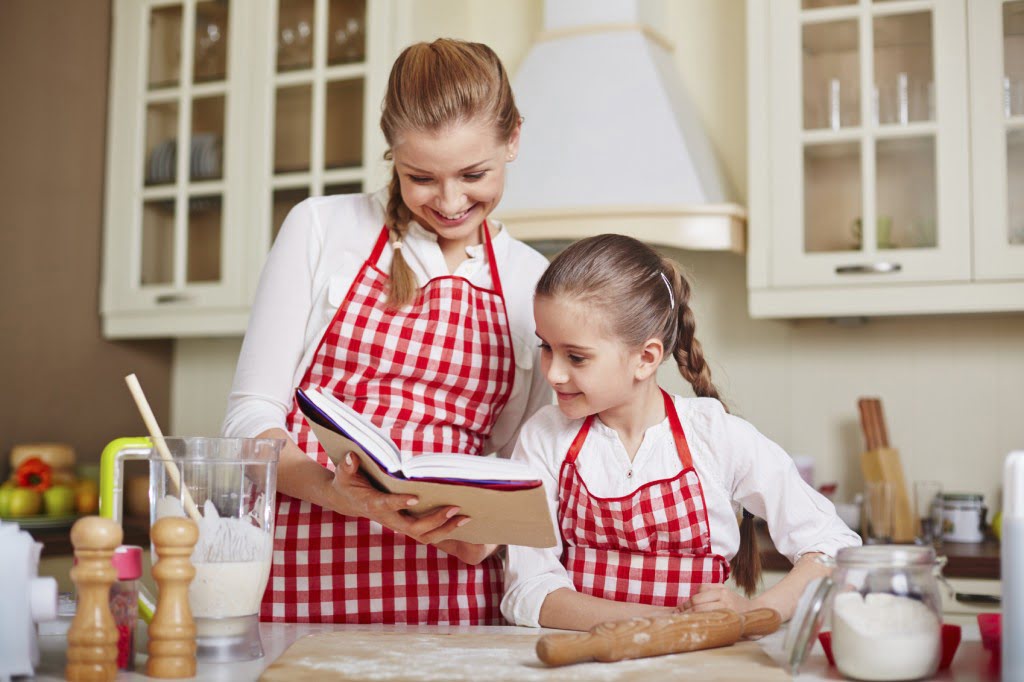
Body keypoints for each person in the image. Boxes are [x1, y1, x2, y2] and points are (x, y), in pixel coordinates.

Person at [222, 38, 552, 625]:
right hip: (301, 580)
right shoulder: (321, 228)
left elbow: (524, 459)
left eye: (474, 174)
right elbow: (249, 422)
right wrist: (336, 491)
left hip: (452, 597)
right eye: (420, 177)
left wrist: (493, 536)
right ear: (391, 154)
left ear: (515, 139)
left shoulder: (534, 282)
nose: (450, 202)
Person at [501, 234, 860, 631]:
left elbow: (834, 547)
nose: (553, 373)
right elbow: (530, 591)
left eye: (576, 357)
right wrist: (666, 620)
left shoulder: (714, 436)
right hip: (585, 664)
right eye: (545, 347)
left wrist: (756, 613)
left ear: (646, 358)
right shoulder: (544, 438)